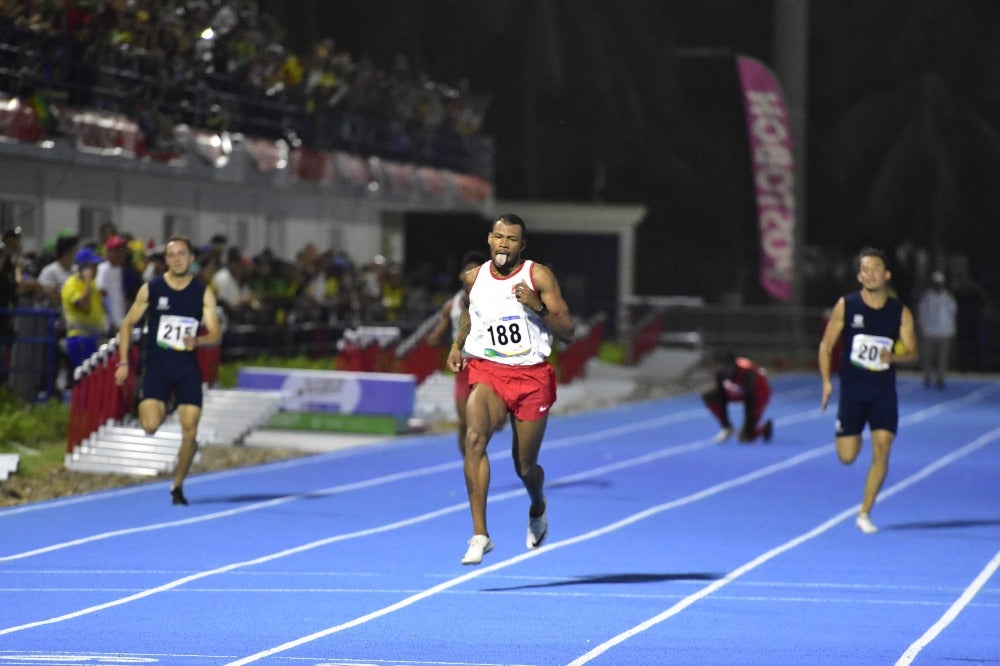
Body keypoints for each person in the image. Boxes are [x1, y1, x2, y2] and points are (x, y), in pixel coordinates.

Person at [446, 214, 574, 565]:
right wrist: (458, 346)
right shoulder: (473, 278)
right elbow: (470, 315)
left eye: (512, 239)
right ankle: (480, 534)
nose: (504, 243)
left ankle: (537, 504)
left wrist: (538, 306)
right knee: (474, 439)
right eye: (499, 237)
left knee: (525, 467)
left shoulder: (538, 276)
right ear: (490, 239)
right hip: (489, 370)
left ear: (522, 245)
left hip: (532, 377)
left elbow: (568, 330)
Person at [114, 236, 222, 506]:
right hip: (157, 368)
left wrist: (197, 340)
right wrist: (124, 362)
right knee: (150, 426)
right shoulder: (152, 288)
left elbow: (216, 333)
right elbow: (127, 325)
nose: (177, 259)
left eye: (182, 254)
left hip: (187, 369)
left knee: (190, 431)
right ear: (166, 259)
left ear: (191, 257)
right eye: (172, 255)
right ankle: (169, 403)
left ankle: (177, 486)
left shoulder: (202, 292)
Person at [818, 247, 918, 534]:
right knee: (847, 457)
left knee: (883, 446)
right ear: (859, 276)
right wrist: (826, 381)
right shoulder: (846, 305)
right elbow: (825, 346)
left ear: (886, 275)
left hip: (882, 390)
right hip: (852, 390)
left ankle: (865, 512)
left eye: (876, 269)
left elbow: (912, 352)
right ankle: (856, 431)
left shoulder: (900, 312)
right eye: (865, 270)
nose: (870, 274)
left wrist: (895, 357)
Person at [427, 250, 487, 454]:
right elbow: (439, 330)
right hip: (463, 367)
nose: (470, 273)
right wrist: (435, 337)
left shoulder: (494, 301)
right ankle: (470, 464)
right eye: (467, 270)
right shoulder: (451, 304)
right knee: (464, 423)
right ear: (461, 275)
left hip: (486, 367)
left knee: (482, 423)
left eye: (476, 270)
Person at [702, 352, 773, 444]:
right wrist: (726, 424)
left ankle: (764, 429)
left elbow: (750, 398)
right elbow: (721, 397)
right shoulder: (720, 373)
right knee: (710, 396)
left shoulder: (747, 370)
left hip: (759, 394)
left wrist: (748, 425)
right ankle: (728, 428)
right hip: (741, 392)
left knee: (745, 438)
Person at [60, 246, 107, 370]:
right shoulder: (71, 284)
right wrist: (87, 280)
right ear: (85, 268)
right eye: (94, 266)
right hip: (79, 339)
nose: (97, 269)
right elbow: (84, 306)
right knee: (84, 379)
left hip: (92, 338)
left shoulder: (92, 284)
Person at [917, 271, 957, 389]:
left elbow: (953, 313)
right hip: (929, 332)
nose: (938, 285)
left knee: (942, 357)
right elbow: (921, 313)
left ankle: (940, 378)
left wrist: (952, 330)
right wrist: (922, 328)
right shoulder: (927, 297)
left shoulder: (948, 298)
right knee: (927, 356)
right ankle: (927, 376)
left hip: (945, 332)